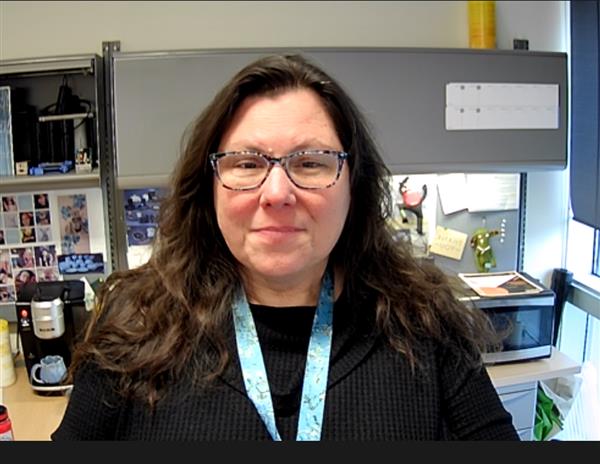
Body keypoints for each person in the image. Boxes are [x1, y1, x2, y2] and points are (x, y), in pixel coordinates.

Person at [52, 54, 518, 441]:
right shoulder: (135, 326)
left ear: (353, 186)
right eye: (247, 162)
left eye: (311, 163)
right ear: (210, 185)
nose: (277, 193)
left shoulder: (426, 325)